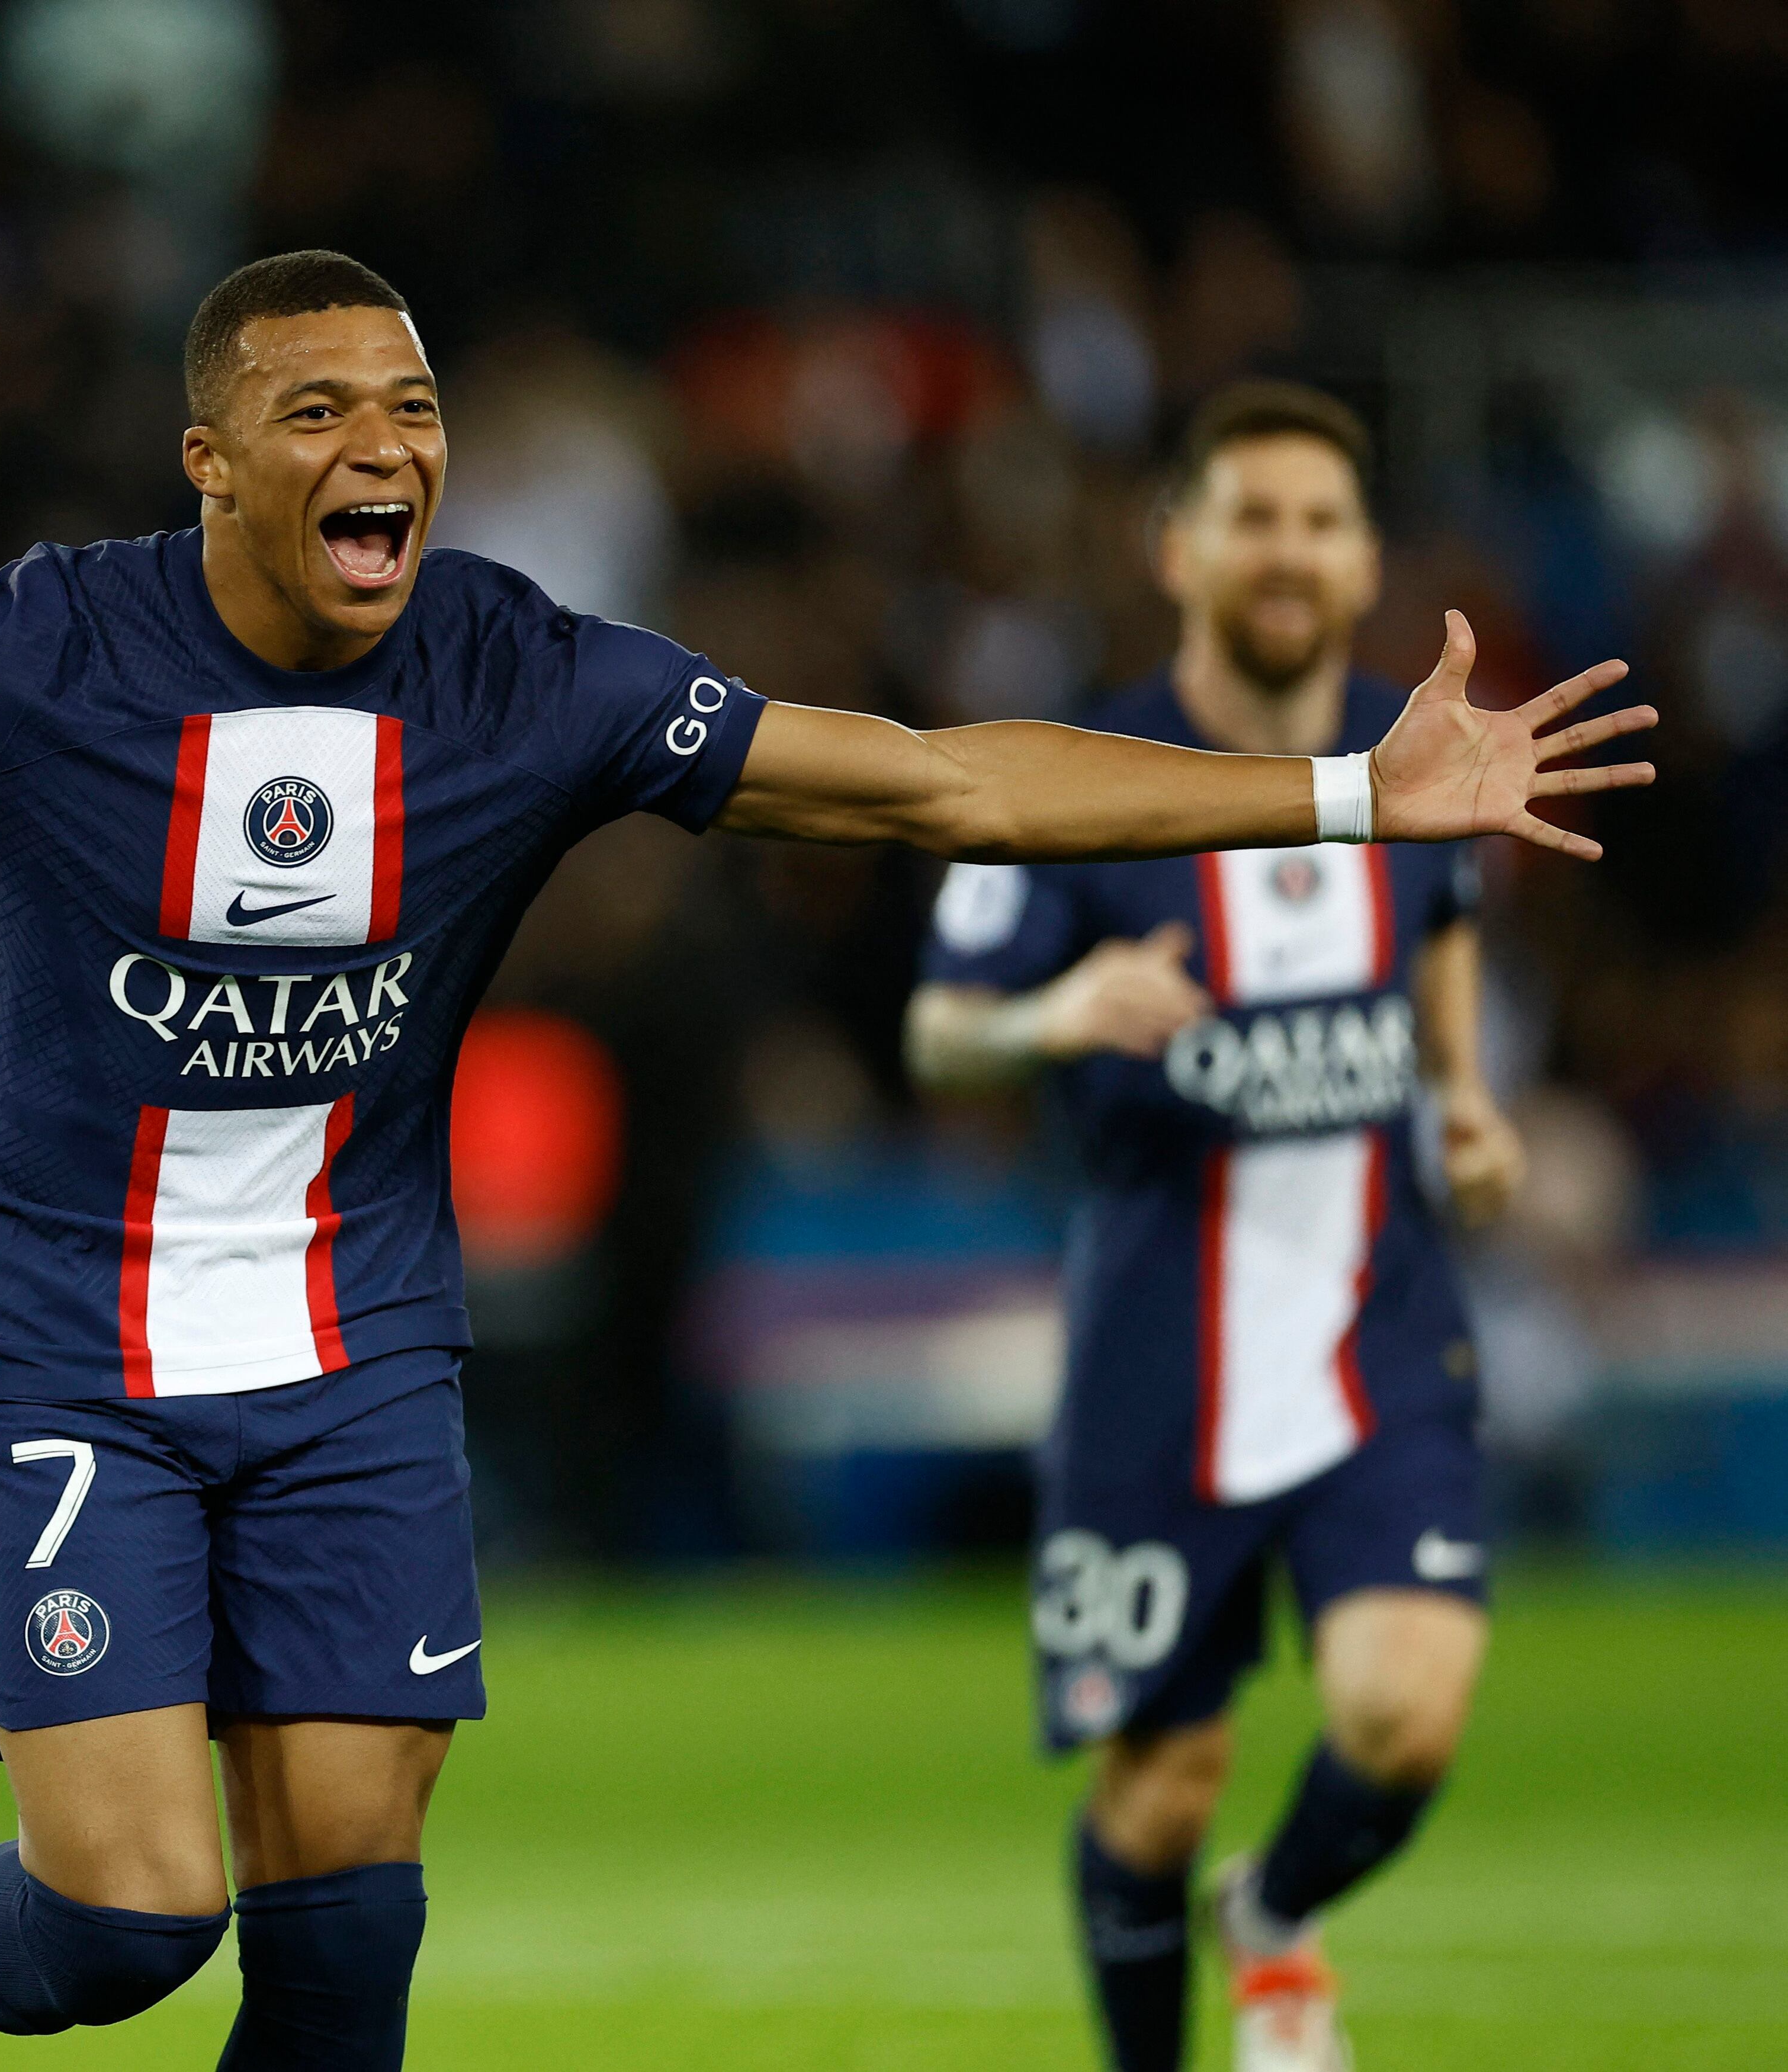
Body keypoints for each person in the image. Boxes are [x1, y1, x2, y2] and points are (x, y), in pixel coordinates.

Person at [0, 257, 1652, 2072]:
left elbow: (926, 769)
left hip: (355, 1341)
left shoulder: (528, 671)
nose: (391, 449)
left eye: (419, 414)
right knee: (127, 1912)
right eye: (325, 414)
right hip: (68, 1325)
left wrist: (1328, 783)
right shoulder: (33, 647)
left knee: (347, 1939)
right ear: (210, 455)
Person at [906, 381, 1535, 2072]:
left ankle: (1273, 1916)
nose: (1288, 551)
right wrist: (1050, 1018)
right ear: (1174, 546)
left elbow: (1449, 905)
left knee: (1403, 1713)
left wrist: (1464, 1093)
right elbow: (937, 1028)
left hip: (1381, 1331)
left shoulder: (1421, 760)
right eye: (1251, 514)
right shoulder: (1082, 783)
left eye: (1321, 520)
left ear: (1364, 559)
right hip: (1158, 1358)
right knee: (1160, 1787)